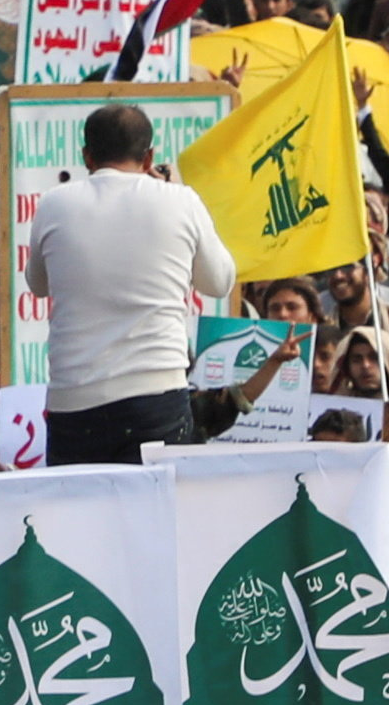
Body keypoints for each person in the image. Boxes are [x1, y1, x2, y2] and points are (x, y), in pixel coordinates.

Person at [19, 106, 244, 468]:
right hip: (157, 397)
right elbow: (219, 282)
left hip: (74, 399)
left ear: (86, 156)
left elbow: (38, 284)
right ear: (149, 156)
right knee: (151, 518)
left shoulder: (53, 203)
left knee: (79, 519)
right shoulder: (180, 200)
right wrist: (173, 194)